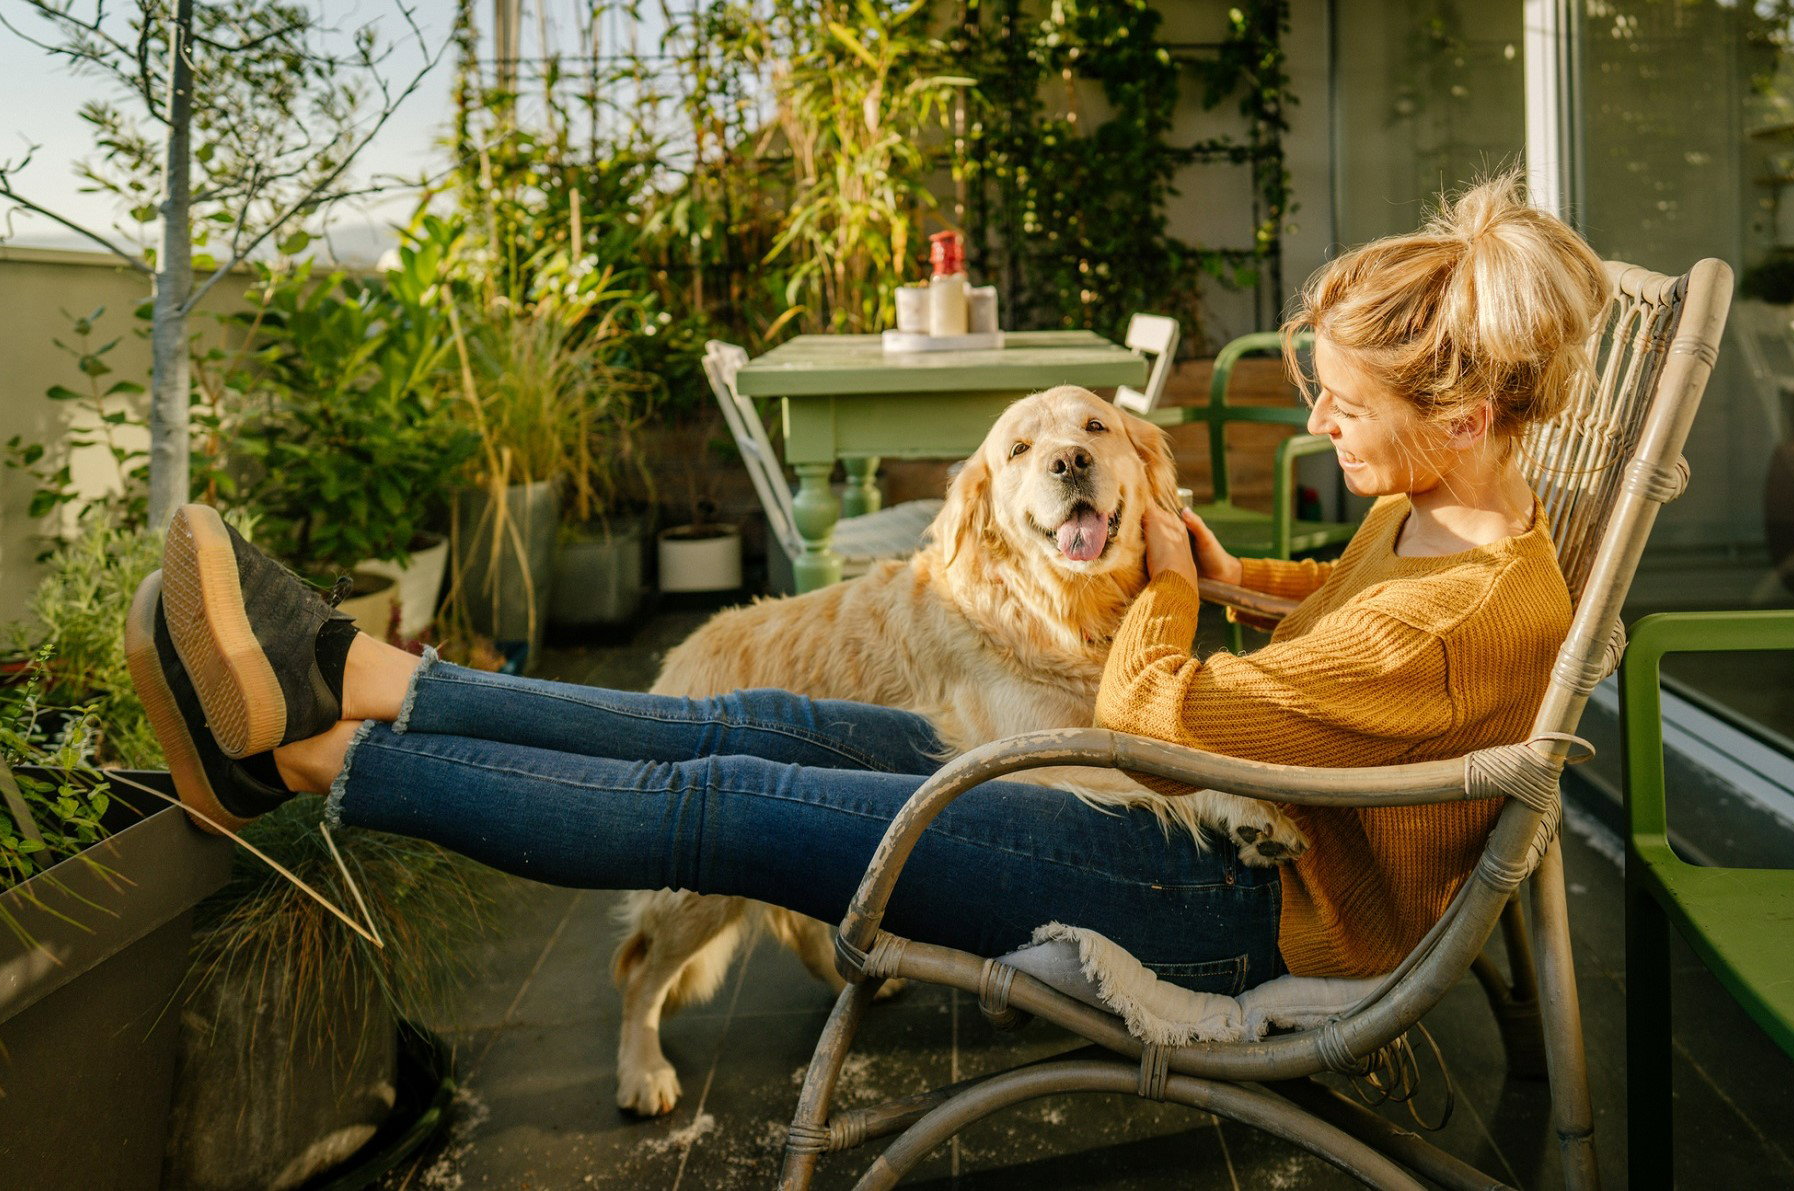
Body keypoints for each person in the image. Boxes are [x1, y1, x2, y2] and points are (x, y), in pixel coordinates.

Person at [125, 174, 1602, 992]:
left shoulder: (1467, 607)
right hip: (1154, 805)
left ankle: (314, 756)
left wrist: (1160, 571)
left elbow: (1173, 721)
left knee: (732, 813)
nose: (1318, 420)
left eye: (1345, 403)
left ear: (1466, 413)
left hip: (1216, 892)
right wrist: (1233, 569)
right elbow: (1339, 616)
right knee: (734, 727)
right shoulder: (1453, 520)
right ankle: (363, 670)